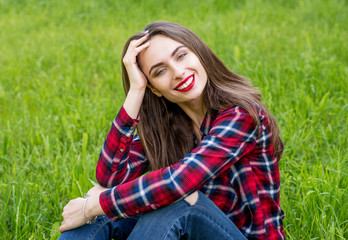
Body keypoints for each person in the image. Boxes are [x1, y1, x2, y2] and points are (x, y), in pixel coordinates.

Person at [59, 21, 285, 239]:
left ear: (198, 53)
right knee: (101, 201)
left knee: (173, 201)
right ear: (154, 89)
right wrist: (136, 91)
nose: (177, 72)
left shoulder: (241, 115)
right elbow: (109, 178)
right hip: (192, 231)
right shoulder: (172, 126)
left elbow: (177, 183)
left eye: (181, 55)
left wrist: (91, 207)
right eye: (159, 72)